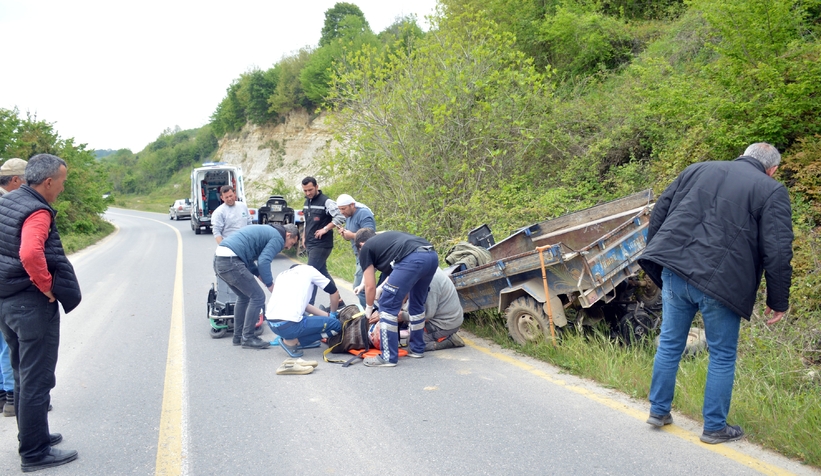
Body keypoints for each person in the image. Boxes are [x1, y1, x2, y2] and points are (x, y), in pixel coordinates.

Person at [638, 142, 793, 445]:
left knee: (670, 344)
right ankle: (714, 427)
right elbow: (777, 251)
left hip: (674, 272)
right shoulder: (771, 190)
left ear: (745, 155)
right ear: (772, 169)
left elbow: (658, 216)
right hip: (721, 284)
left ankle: (658, 411)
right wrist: (778, 301)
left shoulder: (697, 169)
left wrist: (656, 263)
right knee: (722, 354)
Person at [0, 154, 81, 472]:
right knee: (37, 379)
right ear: (48, 182)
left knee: (22, 375)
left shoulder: (10, 201)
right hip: (31, 305)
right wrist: (46, 285)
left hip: (7, 302)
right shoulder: (36, 210)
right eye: (62, 182)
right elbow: (31, 252)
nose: (62, 188)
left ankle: (34, 436)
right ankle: (34, 453)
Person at [355, 228, 438, 367]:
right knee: (416, 303)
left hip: (413, 259)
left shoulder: (366, 249)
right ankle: (417, 349)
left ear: (361, 244)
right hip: (431, 256)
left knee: (386, 305)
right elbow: (399, 281)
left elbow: (370, 286)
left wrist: (369, 308)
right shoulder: (388, 243)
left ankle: (388, 357)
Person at [215, 223, 299, 349]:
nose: (288, 248)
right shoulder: (278, 237)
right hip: (231, 261)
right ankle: (248, 338)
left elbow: (249, 261)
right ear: (288, 235)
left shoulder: (268, 231)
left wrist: (261, 276)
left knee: (244, 297)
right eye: (291, 243)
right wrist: (270, 285)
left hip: (220, 260)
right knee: (258, 297)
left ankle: (238, 337)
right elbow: (264, 261)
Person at [0, 158, 28, 417]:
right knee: (9, 346)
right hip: (6, 288)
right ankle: (11, 398)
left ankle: (4, 396)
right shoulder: (8, 204)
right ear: (16, 180)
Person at [266, 264, 342, 358]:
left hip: (272, 324)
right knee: (336, 326)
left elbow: (305, 306)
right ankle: (295, 342)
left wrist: (327, 316)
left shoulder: (282, 275)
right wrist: (333, 314)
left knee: (306, 316)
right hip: (289, 325)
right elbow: (334, 292)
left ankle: (294, 339)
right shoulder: (309, 270)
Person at [301, 177, 344, 305]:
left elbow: (340, 216)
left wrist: (325, 229)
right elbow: (306, 222)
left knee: (310, 275)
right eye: (305, 191)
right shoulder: (306, 202)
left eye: (310, 189)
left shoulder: (326, 201)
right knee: (322, 273)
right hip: (310, 243)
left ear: (317, 186)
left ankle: (308, 306)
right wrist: (304, 236)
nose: (308, 193)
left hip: (321, 245)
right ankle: (339, 300)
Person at [400, 268, 465, 351]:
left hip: (444, 324)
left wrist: (402, 316)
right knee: (403, 331)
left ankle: (449, 341)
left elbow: (425, 316)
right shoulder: (423, 271)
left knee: (413, 343)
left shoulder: (430, 284)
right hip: (436, 316)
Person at [336, 194, 376, 307]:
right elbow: (352, 236)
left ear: (352, 205)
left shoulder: (363, 214)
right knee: (366, 286)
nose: (342, 212)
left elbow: (371, 237)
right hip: (359, 255)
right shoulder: (348, 216)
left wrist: (351, 235)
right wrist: (344, 234)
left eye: (343, 209)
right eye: (340, 209)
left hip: (368, 255)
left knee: (360, 287)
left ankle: (369, 314)